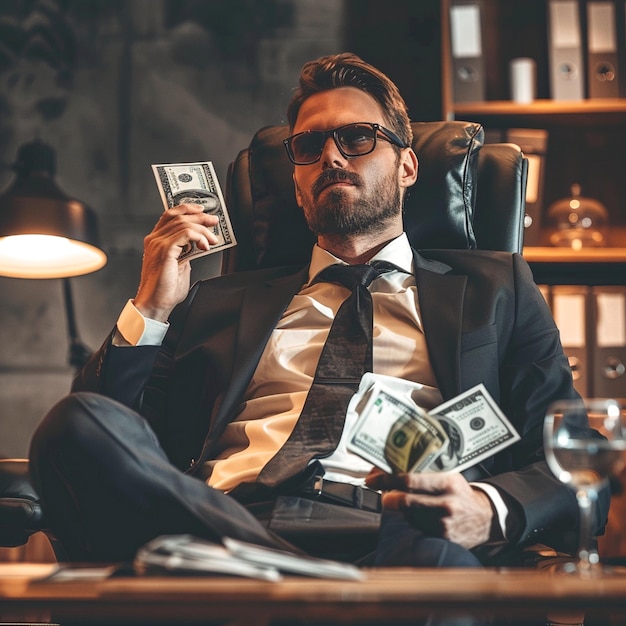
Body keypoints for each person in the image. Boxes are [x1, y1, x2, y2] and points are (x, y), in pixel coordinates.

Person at [29, 53, 608, 571]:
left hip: (394, 530)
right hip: (227, 525)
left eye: (357, 138)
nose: (330, 155)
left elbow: (574, 453)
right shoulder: (216, 301)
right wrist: (152, 305)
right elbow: (112, 427)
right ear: (297, 184)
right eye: (309, 146)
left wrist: (487, 508)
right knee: (76, 423)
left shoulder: (496, 288)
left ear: (407, 168)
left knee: (435, 558)